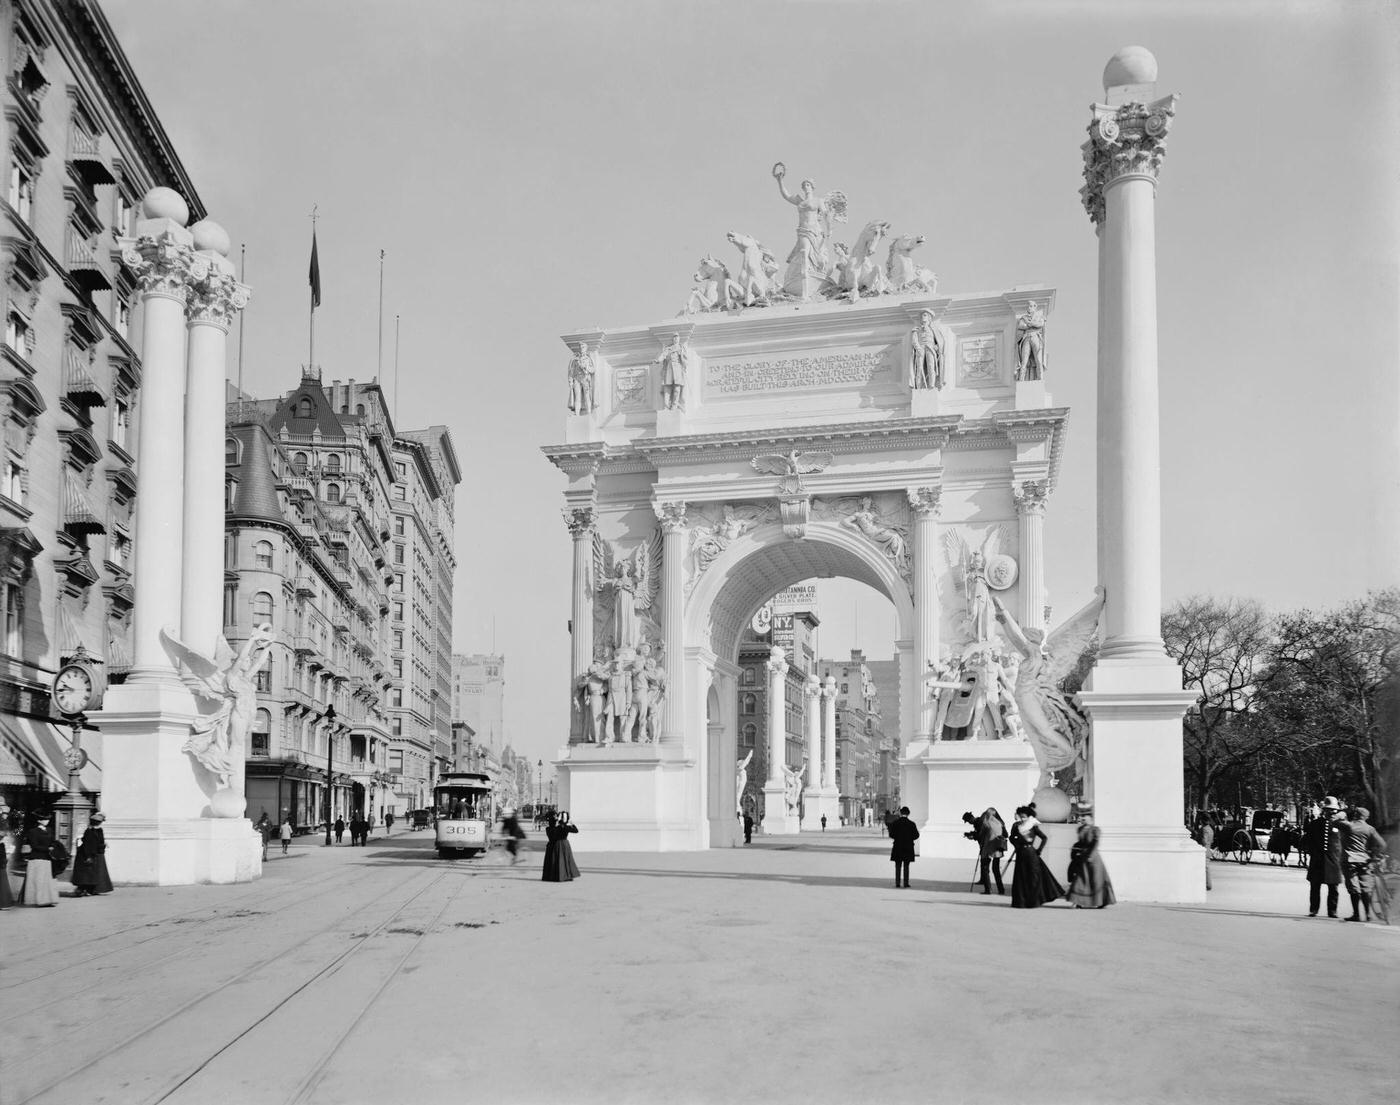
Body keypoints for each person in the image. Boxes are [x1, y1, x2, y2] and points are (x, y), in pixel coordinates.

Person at [1009, 805, 1063, 908]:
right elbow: (1011, 837)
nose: (1022, 818)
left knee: (1033, 878)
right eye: (1021, 816)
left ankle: (1033, 902)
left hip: (1031, 854)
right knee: (1021, 878)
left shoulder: (1033, 826)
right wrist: (1017, 844)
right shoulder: (1016, 826)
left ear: (1029, 816)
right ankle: (1020, 902)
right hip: (1020, 854)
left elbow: (1044, 838)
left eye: (1024, 816)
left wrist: (1039, 850)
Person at [1340, 806, 1388, 923]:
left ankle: (1356, 914)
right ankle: (1367, 915)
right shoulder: (1370, 829)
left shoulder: (1348, 825)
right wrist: (1373, 855)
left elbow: (1334, 822)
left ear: (1355, 815)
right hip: (1365, 861)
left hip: (1350, 860)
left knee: (1354, 888)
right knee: (1366, 888)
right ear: (1366, 817)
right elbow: (1382, 844)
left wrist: (1340, 815)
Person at [1065, 807, 1116, 909]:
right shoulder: (1080, 829)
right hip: (1082, 857)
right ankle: (1078, 901)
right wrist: (1075, 850)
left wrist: (1090, 856)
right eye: (1082, 816)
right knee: (1081, 878)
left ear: (1091, 818)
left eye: (1085, 816)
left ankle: (1102, 901)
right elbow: (1080, 842)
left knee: (1096, 880)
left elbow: (1095, 843)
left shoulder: (1095, 830)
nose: (1083, 818)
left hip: (1094, 858)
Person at [1305, 796, 1346, 918]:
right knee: (1315, 887)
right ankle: (1314, 909)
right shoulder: (1315, 824)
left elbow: (1344, 843)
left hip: (1334, 861)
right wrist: (1312, 853)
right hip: (1318, 860)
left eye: (1335, 810)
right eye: (1330, 810)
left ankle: (1332, 911)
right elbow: (1309, 840)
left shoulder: (1341, 826)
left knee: (1333, 888)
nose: (1333, 812)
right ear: (1325, 811)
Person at [964, 808, 1008, 895]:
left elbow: (981, 835)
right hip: (998, 847)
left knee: (985, 868)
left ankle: (988, 889)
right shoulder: (999, 823)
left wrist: (973, 836)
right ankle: (1001, 889)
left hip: (987, 847)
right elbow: (1005, 835)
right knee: (996, 869)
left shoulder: (984, 822)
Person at [71, 812, 114, 897]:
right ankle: (83, 889)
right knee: (88, 874)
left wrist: (103, 845)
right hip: (90, 854)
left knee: (95, 873)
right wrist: (89, 856)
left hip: (97, 854)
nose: (100, 824)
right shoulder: (89, 831)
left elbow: (99, 841)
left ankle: (92, 889)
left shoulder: (98, 830)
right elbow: (88, 845)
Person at [20, 813, 58, 907]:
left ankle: (47, 900)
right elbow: (34, 845)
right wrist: (47, 849)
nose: (47, 821)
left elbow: (53, 841)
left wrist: (53, 846)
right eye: (44, 819)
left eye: (48, 819)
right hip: (37, 857)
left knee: (47, 880)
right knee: (38, 880)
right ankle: (37, 900)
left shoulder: (49, 830)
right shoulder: (33, 831)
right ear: (39, 821)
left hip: (47, 858)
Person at [542, 811, 581, 882]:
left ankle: (557, 876)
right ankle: (567, 875)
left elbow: (553, 835)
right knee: (565, 860)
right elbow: (576, 830)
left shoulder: (553, 828)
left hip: (557, 844)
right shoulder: (564, 827)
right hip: (565, 844)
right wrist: (572, 824)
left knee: (558, 861)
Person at [888, 806, 919, 889]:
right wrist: (909, 839)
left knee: (898, 866)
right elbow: (916, 835)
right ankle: (906, 883)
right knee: (906, 866)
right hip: (908, 847)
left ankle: (897, 883)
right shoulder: (912, 824)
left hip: (898, 846)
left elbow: (891, 834)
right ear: (908, 814)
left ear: (901, 813)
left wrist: (898, 838)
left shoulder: (895, 823)